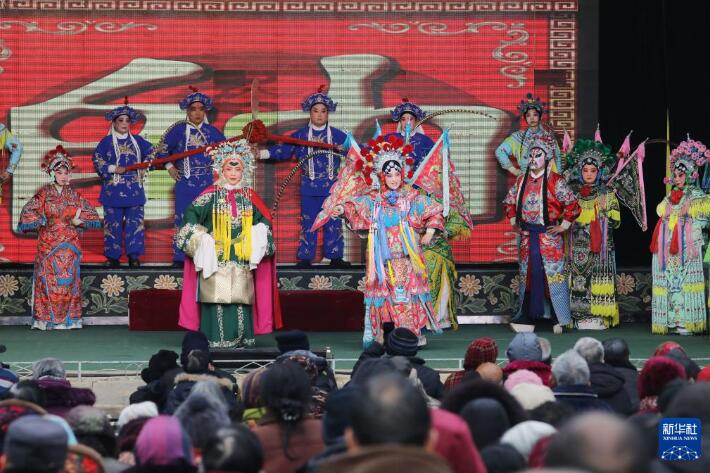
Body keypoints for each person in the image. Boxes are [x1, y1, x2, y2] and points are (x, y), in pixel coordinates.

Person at [331, 134, 444, 347]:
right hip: (381, 260)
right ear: (382, 176)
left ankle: (411, 335)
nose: (394, 179)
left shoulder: (411, 197)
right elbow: (354, 205)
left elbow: (435, 210)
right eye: (389, 175)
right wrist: (341, 209)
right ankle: (382, 335)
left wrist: (429, 232)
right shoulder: (374, 199)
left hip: (407, 258)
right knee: (384, 297)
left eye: (397, 174)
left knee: (406, 296)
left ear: (402, 174)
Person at [176, 139, 280, 348]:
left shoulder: (250, 197)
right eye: (229, 169)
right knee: (216, 298)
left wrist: (259, 231)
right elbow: (189, 220)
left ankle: (242, 339)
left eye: (238, 169)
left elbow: (264, 222)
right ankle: (215, 340)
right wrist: (203, 238)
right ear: (220, 170)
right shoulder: (209, 196)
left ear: (244, 171)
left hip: (240, 257)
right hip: (216, 257)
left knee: (241, 297)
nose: (233, 174)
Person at [259, 86, 348, 268]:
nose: (319, 115)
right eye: (316, 111)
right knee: (308, 223)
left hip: (333, 190)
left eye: (323, 111)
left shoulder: (338, 135)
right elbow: (282, 150)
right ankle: (306, 257)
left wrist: (370, 152)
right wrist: (261, 154)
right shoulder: (300, 135)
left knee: (333, 223)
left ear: (328, 113)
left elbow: (355, 151)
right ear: (310, 112)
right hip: (309, 188)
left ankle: (336, 257)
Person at [17, 146, 100, 330]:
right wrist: (41, 219)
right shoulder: (44, 194)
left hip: (70, 245)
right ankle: (45, 320)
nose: (63, 176)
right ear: (52, 173)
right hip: (48, 245)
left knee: (68, 282)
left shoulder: (75, 195)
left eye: (66, 172)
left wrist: (79, 221)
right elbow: (27, 213)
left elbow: (92, 215)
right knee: (47, 282)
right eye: (59, 172)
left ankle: (70, 320)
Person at [503, 140, 580, 334]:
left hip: (549, 238)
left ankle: (559, 318)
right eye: (530, 155)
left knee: (553, 277)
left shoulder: (556, 180)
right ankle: (526, 317)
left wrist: (563, 225)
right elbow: (509, 202)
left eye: (538, 155)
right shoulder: (521, 180)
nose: (533, 159)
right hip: (528, 237)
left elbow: (572, 205)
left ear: (547, 159)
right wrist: (515, 224)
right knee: (527, 277)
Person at [158, 86, 226, 266]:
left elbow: (227, 153)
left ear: (205, 111)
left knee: (207, 219)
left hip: (207, 183)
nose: (197, 113)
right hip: (184, 183)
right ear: (187, 111)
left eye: (201, 109)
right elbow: (162, 150)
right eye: (193, 109)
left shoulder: (213, 132)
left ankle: (206, 257)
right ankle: (180, 258)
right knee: (184, 219)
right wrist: (169, 166)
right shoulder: (178, 130)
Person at [650, 138, 710, 335]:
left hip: (688, 246)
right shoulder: (670, 197)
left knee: (684, 283)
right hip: (668, 245)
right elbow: (661, 212)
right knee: (671, 283)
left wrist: (688, 225)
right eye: (675, 175)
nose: (676, 179)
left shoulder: (698, 196)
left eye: (681, 175)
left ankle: (687, 321)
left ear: (691, 175)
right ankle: (671, 320)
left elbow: (703, 221)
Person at [92, 98, 154, 268]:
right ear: (114, 122)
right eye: (121, 120)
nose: (124, 123)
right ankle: (113, 257)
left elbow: (153, 153)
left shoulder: (138, 141)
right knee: (112, 225)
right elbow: (97, 160)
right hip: (113, 192)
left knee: (135, 225)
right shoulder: (105, 142)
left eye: (127, 120)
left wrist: (145, 164)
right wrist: (113, 168)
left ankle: (134, 257)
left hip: (134, 191)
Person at [495, 93, 562, 175]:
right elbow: (500, 151)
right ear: (525, 118)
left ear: (540, 117)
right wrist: (514, 170)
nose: (532, 118)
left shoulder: (549, 138)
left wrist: (559, 177)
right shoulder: (518, 137)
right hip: (526, 179)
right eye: (528, 115)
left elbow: (557, 158)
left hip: (547, 179)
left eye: (535, 115)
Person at [384, 98, 434, 169]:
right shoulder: (390, 138)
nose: (407, 122)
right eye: (403, 119)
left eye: (411, 119)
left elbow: (435, 160)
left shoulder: (425, 140)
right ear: (400, 122)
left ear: (415, 121)